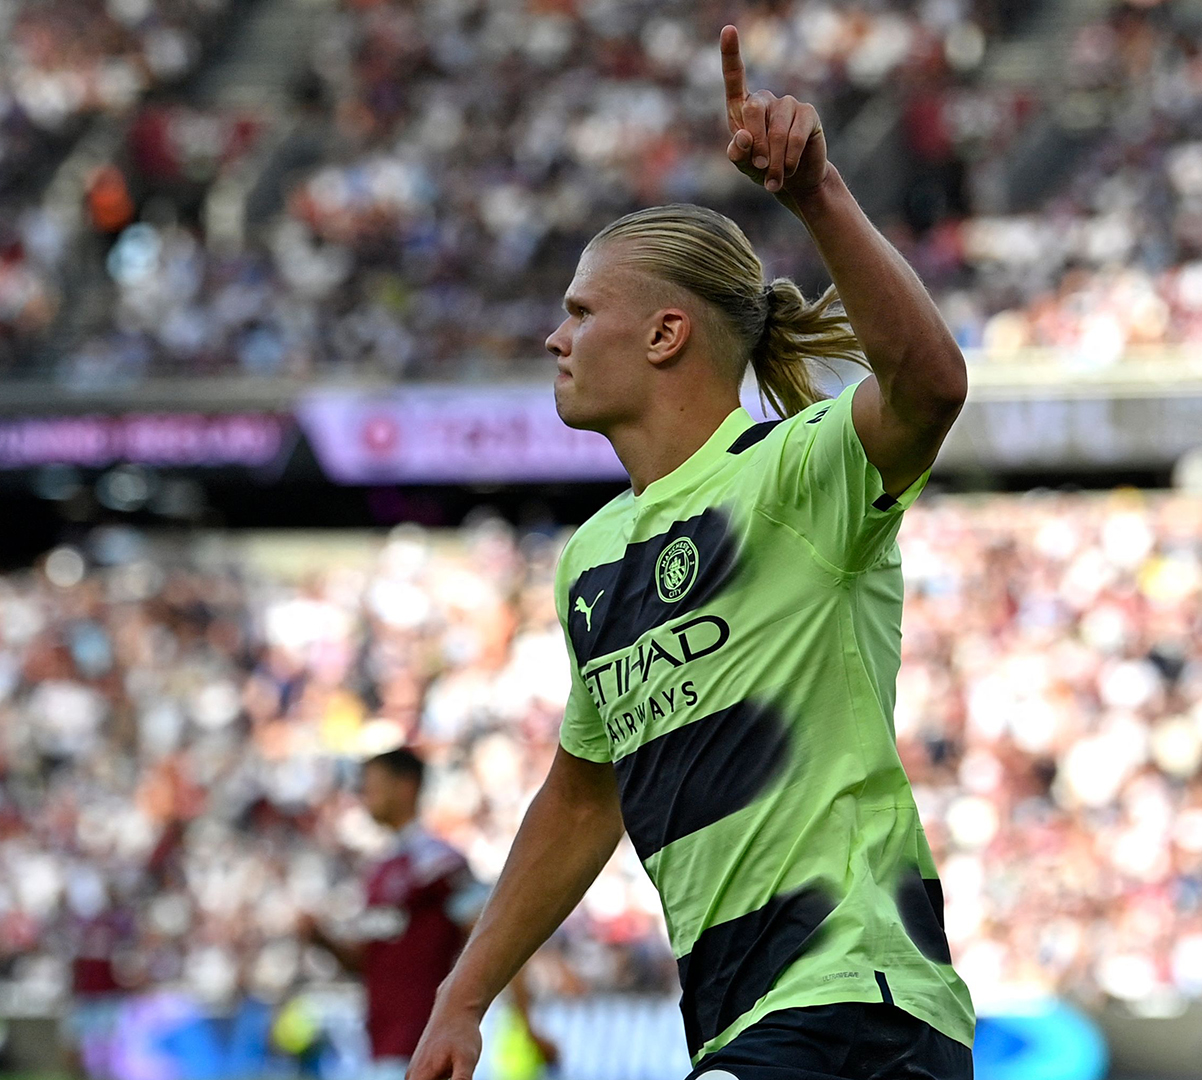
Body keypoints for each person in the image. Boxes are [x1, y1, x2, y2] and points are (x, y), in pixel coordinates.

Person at [408, 25, 975, 1080]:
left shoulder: (793, 474)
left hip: (857, 1000)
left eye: (581, 311)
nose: (555, 337)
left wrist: (818, 197)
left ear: (666, 334)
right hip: (739, 1023)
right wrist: (464, 993)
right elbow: (584, 797)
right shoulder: (593, 560)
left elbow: (932, 386)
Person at [302, 748, 554, 1079]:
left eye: (373, 784)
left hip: (426, 1049)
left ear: (406, 786)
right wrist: (321, 940)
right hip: (378, 1048)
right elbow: (373, 963)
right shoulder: (380, 869)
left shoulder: (438, 863)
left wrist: (527, 1024)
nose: (364, 794)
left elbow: (497, 940)